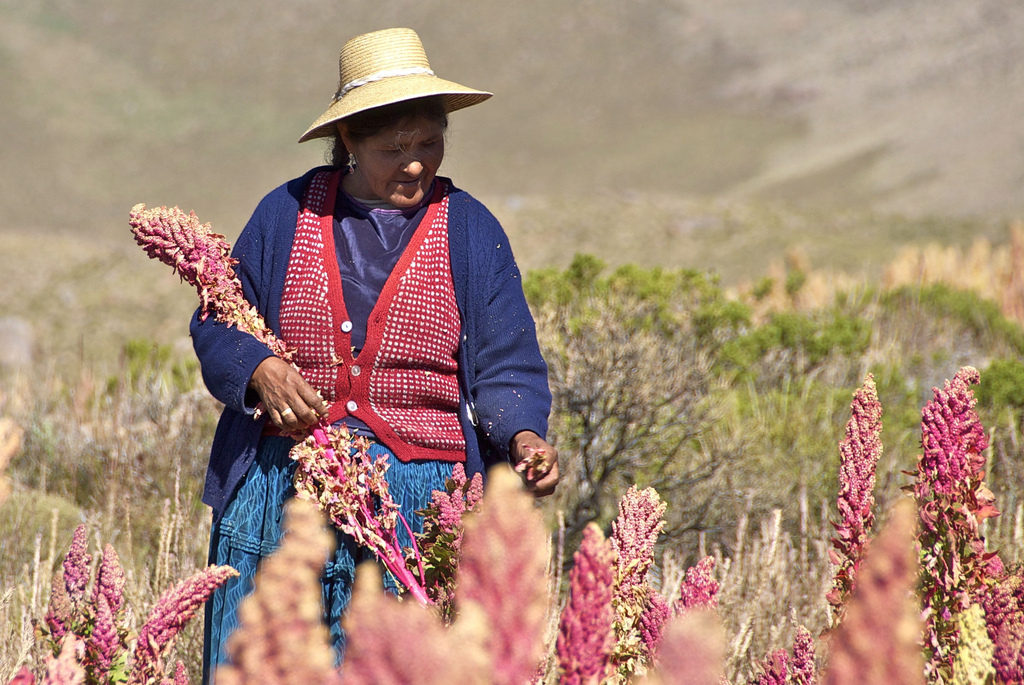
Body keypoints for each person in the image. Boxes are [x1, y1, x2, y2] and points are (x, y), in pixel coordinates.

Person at [191, 27, 559, 679]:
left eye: (429, 144)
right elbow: (220, 314)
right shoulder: (285, 214)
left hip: (417, 506)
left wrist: (525, 438)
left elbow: (507, 361)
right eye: (394, 148)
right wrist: (258, 368)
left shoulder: (470, 229)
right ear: (350, 145)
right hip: (285, 491)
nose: (415, 163)